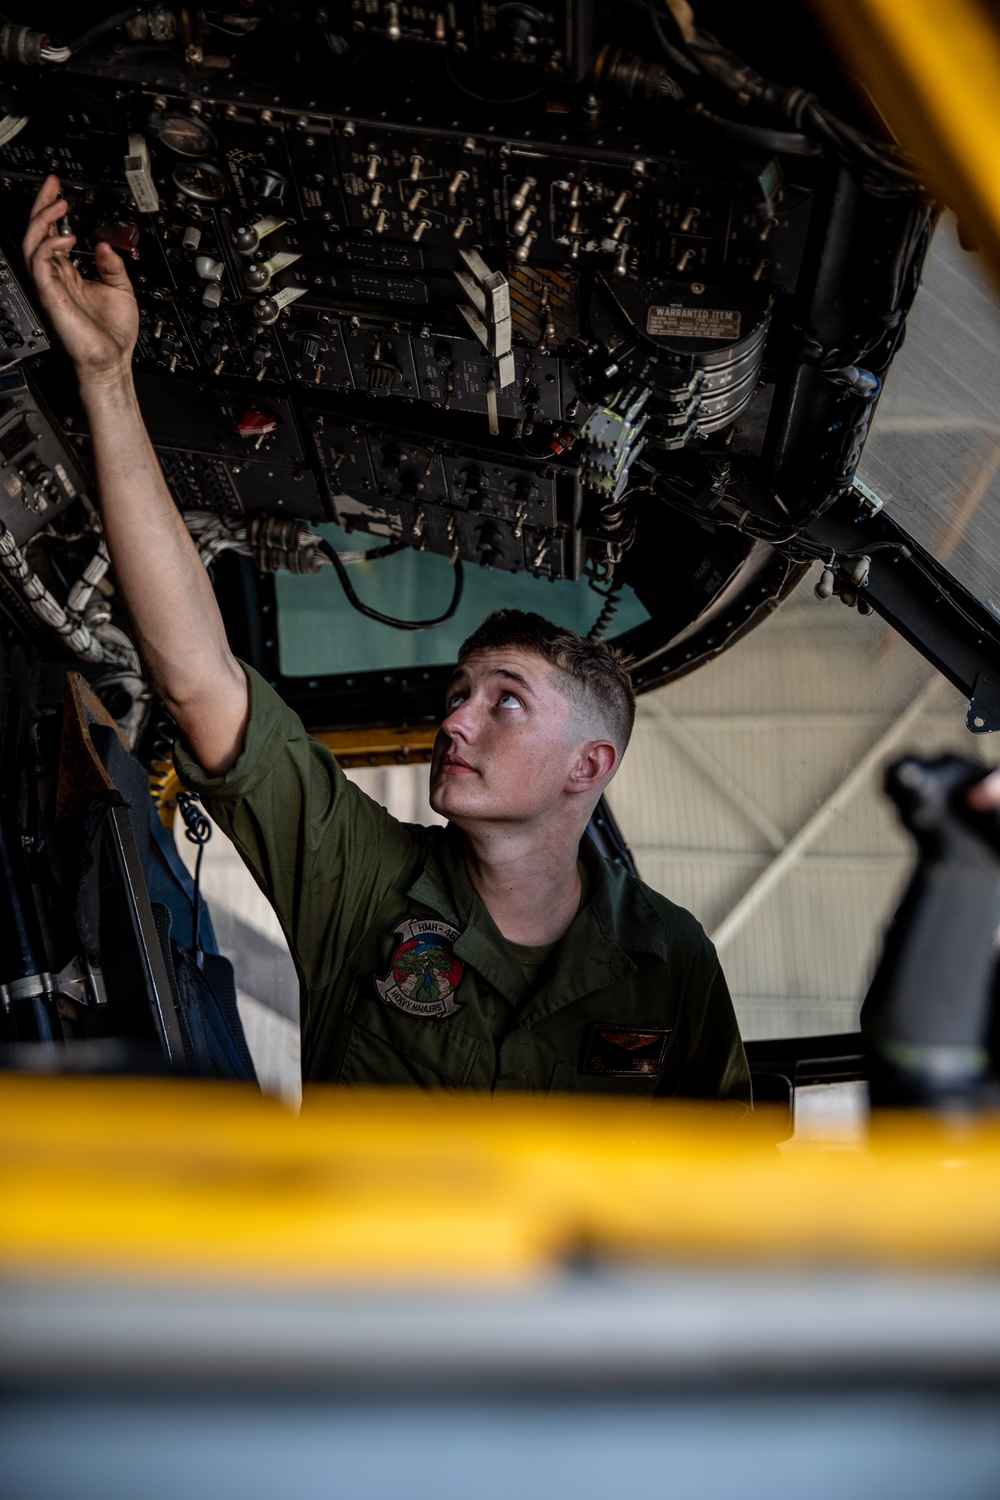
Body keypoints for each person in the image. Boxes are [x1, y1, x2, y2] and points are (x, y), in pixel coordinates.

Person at [23, 175, 750, 1102]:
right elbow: (201, 680)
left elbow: (732, 1189)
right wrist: (106, 376)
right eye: (460, 695)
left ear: (587, 766)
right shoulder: (362, 883)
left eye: (505, 703)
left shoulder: (670, 960)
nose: (456, 722)